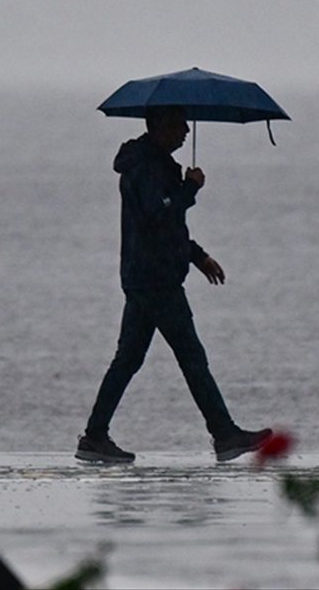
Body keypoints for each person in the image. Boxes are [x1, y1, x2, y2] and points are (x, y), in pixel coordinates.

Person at [76, 105, 271, 464]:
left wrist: (197, 256)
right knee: (191, 358)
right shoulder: (147, 168)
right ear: (158, 126)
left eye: (184, 124)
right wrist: (190, 189)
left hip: (145, 276)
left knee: (129, 359)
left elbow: (166, 226)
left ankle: (94, 436)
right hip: (155, 280)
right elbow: (157, 216)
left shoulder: (154, 164)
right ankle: (225, 434)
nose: (185, 131)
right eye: (178, 124)